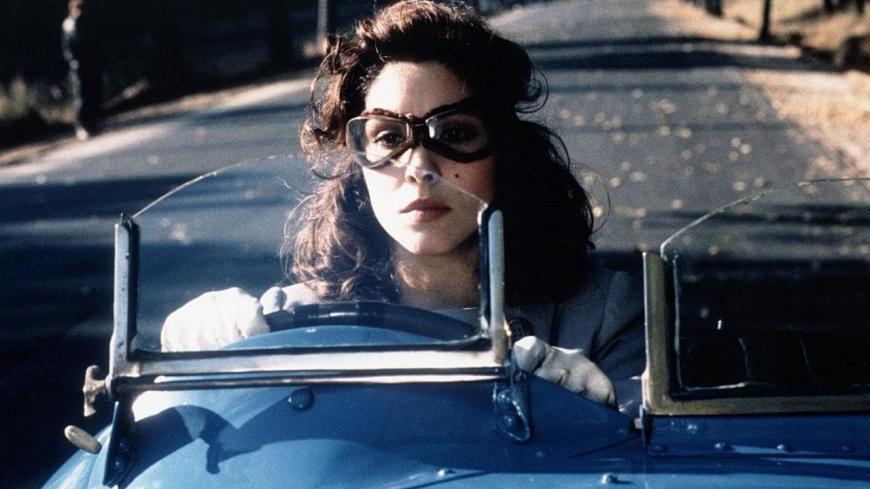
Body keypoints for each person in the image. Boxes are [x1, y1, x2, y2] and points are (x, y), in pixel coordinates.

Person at [162, 0, 644, 411]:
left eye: (456, 133)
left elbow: (657, 454)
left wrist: (595, 416)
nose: (419, 168)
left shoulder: (604, 318)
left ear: (505, 151)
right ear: (357, 165)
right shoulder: (286, 325)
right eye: (388, 138)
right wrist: (184, 353)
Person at [62, 0, 102, 140]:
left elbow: (93, 44)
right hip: (79, 66)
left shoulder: (86, 23)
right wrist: (75, 62)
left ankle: (92, 124)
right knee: (81, 96)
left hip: (91, 64)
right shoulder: (69, 24)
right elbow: (68, 48)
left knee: (93, 93)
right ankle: (81, 127)